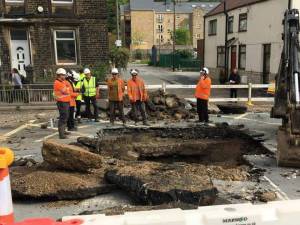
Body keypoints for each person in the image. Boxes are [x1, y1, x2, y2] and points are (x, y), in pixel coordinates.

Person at [53, 68, 71, 139]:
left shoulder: (62, 82)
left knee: (66, 116)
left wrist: (67, 87)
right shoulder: (58, 83)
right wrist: (68, 88)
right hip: (62, 102)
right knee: (63, 117)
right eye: (63, 75)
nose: (65, 76)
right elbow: (66, 91)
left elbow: (68, 87)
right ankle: (61, 134)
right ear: (59, 75)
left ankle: (63, 131)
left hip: (65, 102)